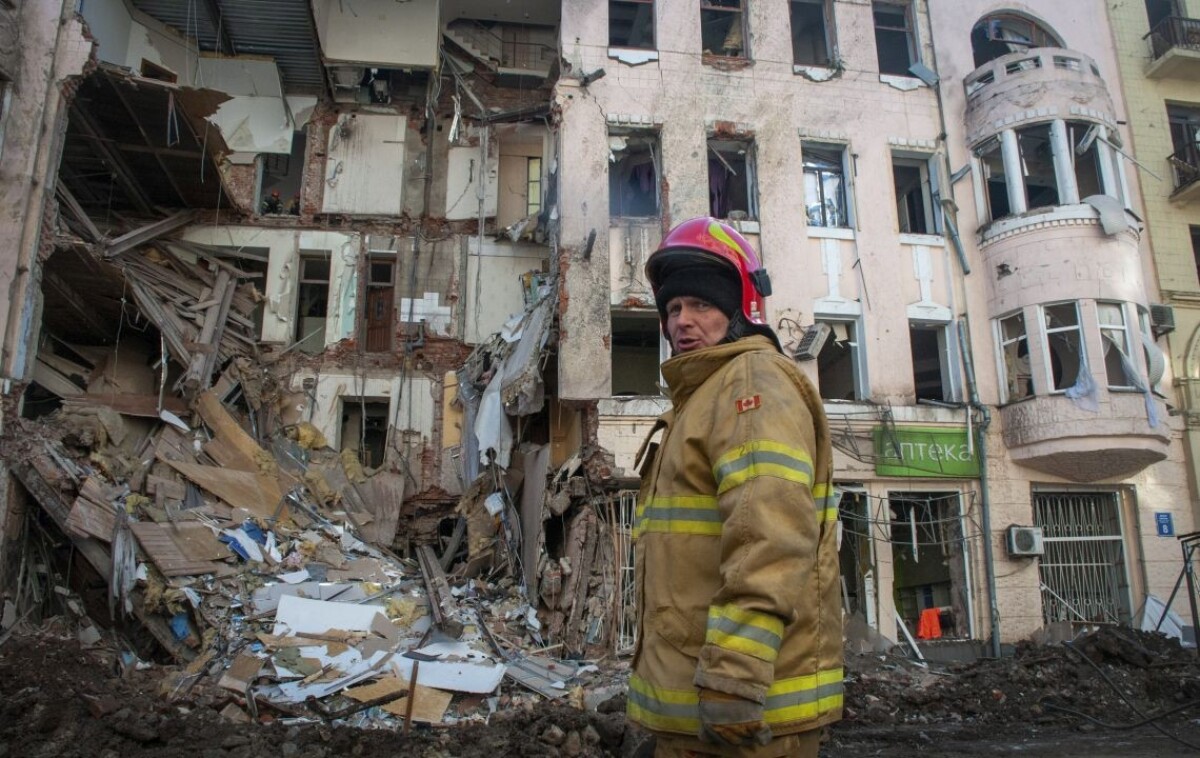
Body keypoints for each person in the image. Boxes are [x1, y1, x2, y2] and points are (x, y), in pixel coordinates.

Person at [627, 217, 843, 758]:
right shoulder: (700, 395)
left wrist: (734, 676)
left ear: (741, 311)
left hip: (738, 714)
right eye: (673, 309)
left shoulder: (749, 383)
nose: (683, 321)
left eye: (702, 305)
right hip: (699, 711)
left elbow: (769, 535)